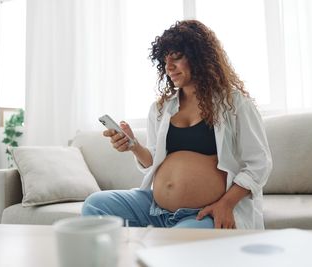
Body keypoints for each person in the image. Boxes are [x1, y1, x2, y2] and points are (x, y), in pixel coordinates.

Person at [82, 20, 272, 229]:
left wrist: (226, 204)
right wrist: (134, 146)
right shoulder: (161, 108)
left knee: (178, 244)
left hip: (203, 213)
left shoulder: (234, 104)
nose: (168, 67)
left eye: (176, 58)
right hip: (155, 207)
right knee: (96, 204)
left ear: (200, 58)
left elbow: (259, 163)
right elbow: (154, 160)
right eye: (164, 61)